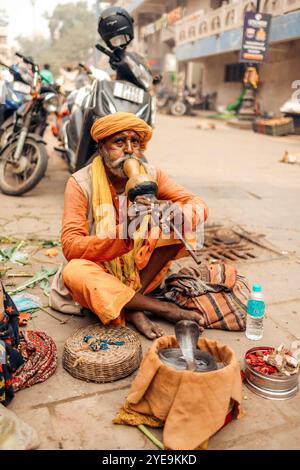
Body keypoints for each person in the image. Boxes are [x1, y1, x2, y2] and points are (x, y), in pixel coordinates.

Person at [60, 112, 208, 339]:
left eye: (135, 142)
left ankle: (130, 301)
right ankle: (160, 308)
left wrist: (177, 213)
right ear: (101, 147)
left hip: (139, 270)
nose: (129, 149)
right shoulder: (80, 183)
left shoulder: (151, 174)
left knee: (184, 228)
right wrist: (124, 230)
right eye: (119, 142)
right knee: (74, 272)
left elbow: (197, 204)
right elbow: (71, 246)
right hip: (100, 269)